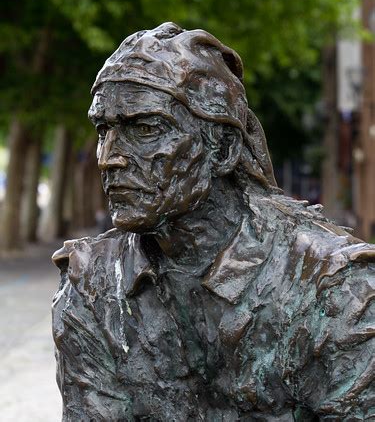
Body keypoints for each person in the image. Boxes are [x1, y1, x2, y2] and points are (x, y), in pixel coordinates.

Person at [52, 22, 374, 421]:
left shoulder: (336, 288)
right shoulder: (92, 284)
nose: (109, 157)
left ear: (221, 148)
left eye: (145, 128)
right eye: (104, 129)